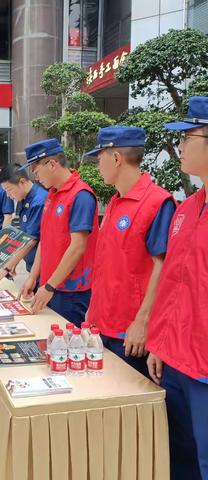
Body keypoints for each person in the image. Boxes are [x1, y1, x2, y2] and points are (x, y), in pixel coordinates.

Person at [146, 96, 208, 480]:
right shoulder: (186, 208)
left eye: (188, 136)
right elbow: (172, 283)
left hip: (204, 367)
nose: (180, 145)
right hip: (176, 360)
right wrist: (159, 342)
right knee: (180, 457)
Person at [85, 126, 176, 377]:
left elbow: (163, 266)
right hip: (103, 325)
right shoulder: (115, 201)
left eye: (99, 158)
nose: (97, 166)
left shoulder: (157, 202)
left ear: (115, 158)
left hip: (131, 335)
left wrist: (143, 321)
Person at [19, 139, 99, 326]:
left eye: (36, 171)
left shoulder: (81, 195)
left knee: (66, 348)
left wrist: (49, 286)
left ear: (52, 164)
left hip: (70, 292)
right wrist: (33, 277)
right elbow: (45, 241)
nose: (36, 178)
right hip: (50, 287)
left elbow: (77, 247)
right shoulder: (52, 195)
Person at [0, 163, 48, 284]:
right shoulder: (24, 198)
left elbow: (31, 240)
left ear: (22, 182)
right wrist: (14, 262)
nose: (8, 195)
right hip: (33, 267)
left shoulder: (39, 202)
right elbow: (24, 234)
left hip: (43, 269)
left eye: (9, 189)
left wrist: (8, 266)